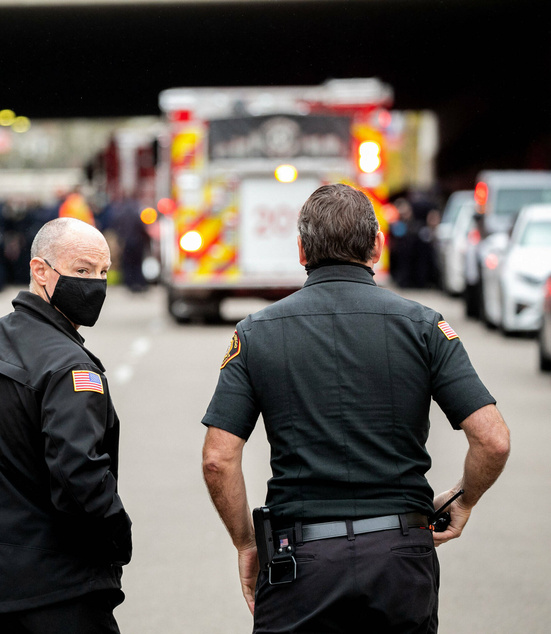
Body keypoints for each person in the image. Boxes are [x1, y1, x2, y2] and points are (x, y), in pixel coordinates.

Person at [200, 183, 510, 633]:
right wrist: (463, 499)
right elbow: (493, 440)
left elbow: (217, 459)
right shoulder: (424, 326)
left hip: (298, 562)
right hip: (401, 557)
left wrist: (247, 545)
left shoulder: (255, 333)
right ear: (377, 246)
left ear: (302, 250)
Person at [0, 217, 132, 634]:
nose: (95, 284)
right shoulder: (70, 366)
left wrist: (0, 509)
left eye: (103, 272)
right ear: (40, 271)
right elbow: (80, 476)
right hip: (58, 594)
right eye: (82, 270)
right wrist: (118, 536)